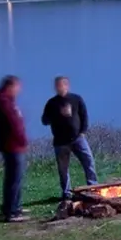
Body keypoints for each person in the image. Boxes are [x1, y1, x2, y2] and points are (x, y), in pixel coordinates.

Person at [41, 75, 98, 207]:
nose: (59, 87)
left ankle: (93, 187)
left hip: (78, 138)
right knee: (63, 169)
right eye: (57, 85)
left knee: (88, 161)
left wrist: (83, 132)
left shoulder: (76, 99)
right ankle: (66, 193)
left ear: (67, 85)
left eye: (61, 85)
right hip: (60, 141)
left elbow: (84, 116)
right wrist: (57, 114)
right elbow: (44, 120)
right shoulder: (52, 103)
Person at [0, 75, 29, 223]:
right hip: (12, 145)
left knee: (16, 178)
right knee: (13, 179)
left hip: (13, 145)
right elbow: (13, 124)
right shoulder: (3, 102)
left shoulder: (6, 101)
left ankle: (15, 206)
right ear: (10, 87)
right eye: (17, 87)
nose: (19, 90)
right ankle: (10, 212)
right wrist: (23, 140)